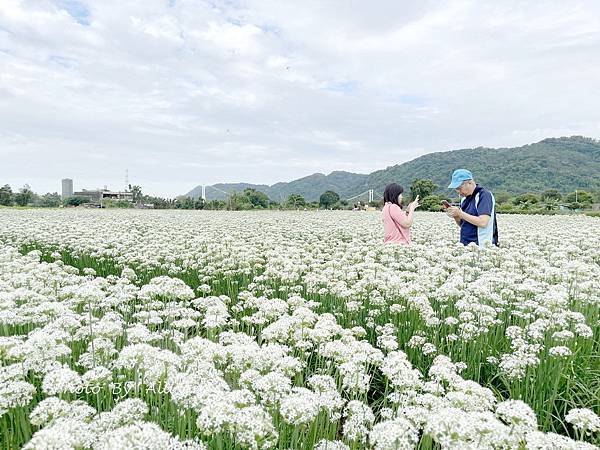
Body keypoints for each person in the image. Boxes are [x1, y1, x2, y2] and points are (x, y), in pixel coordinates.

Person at [444, 169, 498, 247]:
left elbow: (483, 222)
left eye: (459, 188)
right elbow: (463, 224)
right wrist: (456, 216)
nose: (458, 191)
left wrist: (460, 213)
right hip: (465, 244)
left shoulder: (484, 195)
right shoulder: (464, 199)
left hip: (481, 246)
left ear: (470, 183)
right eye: (456, 189)